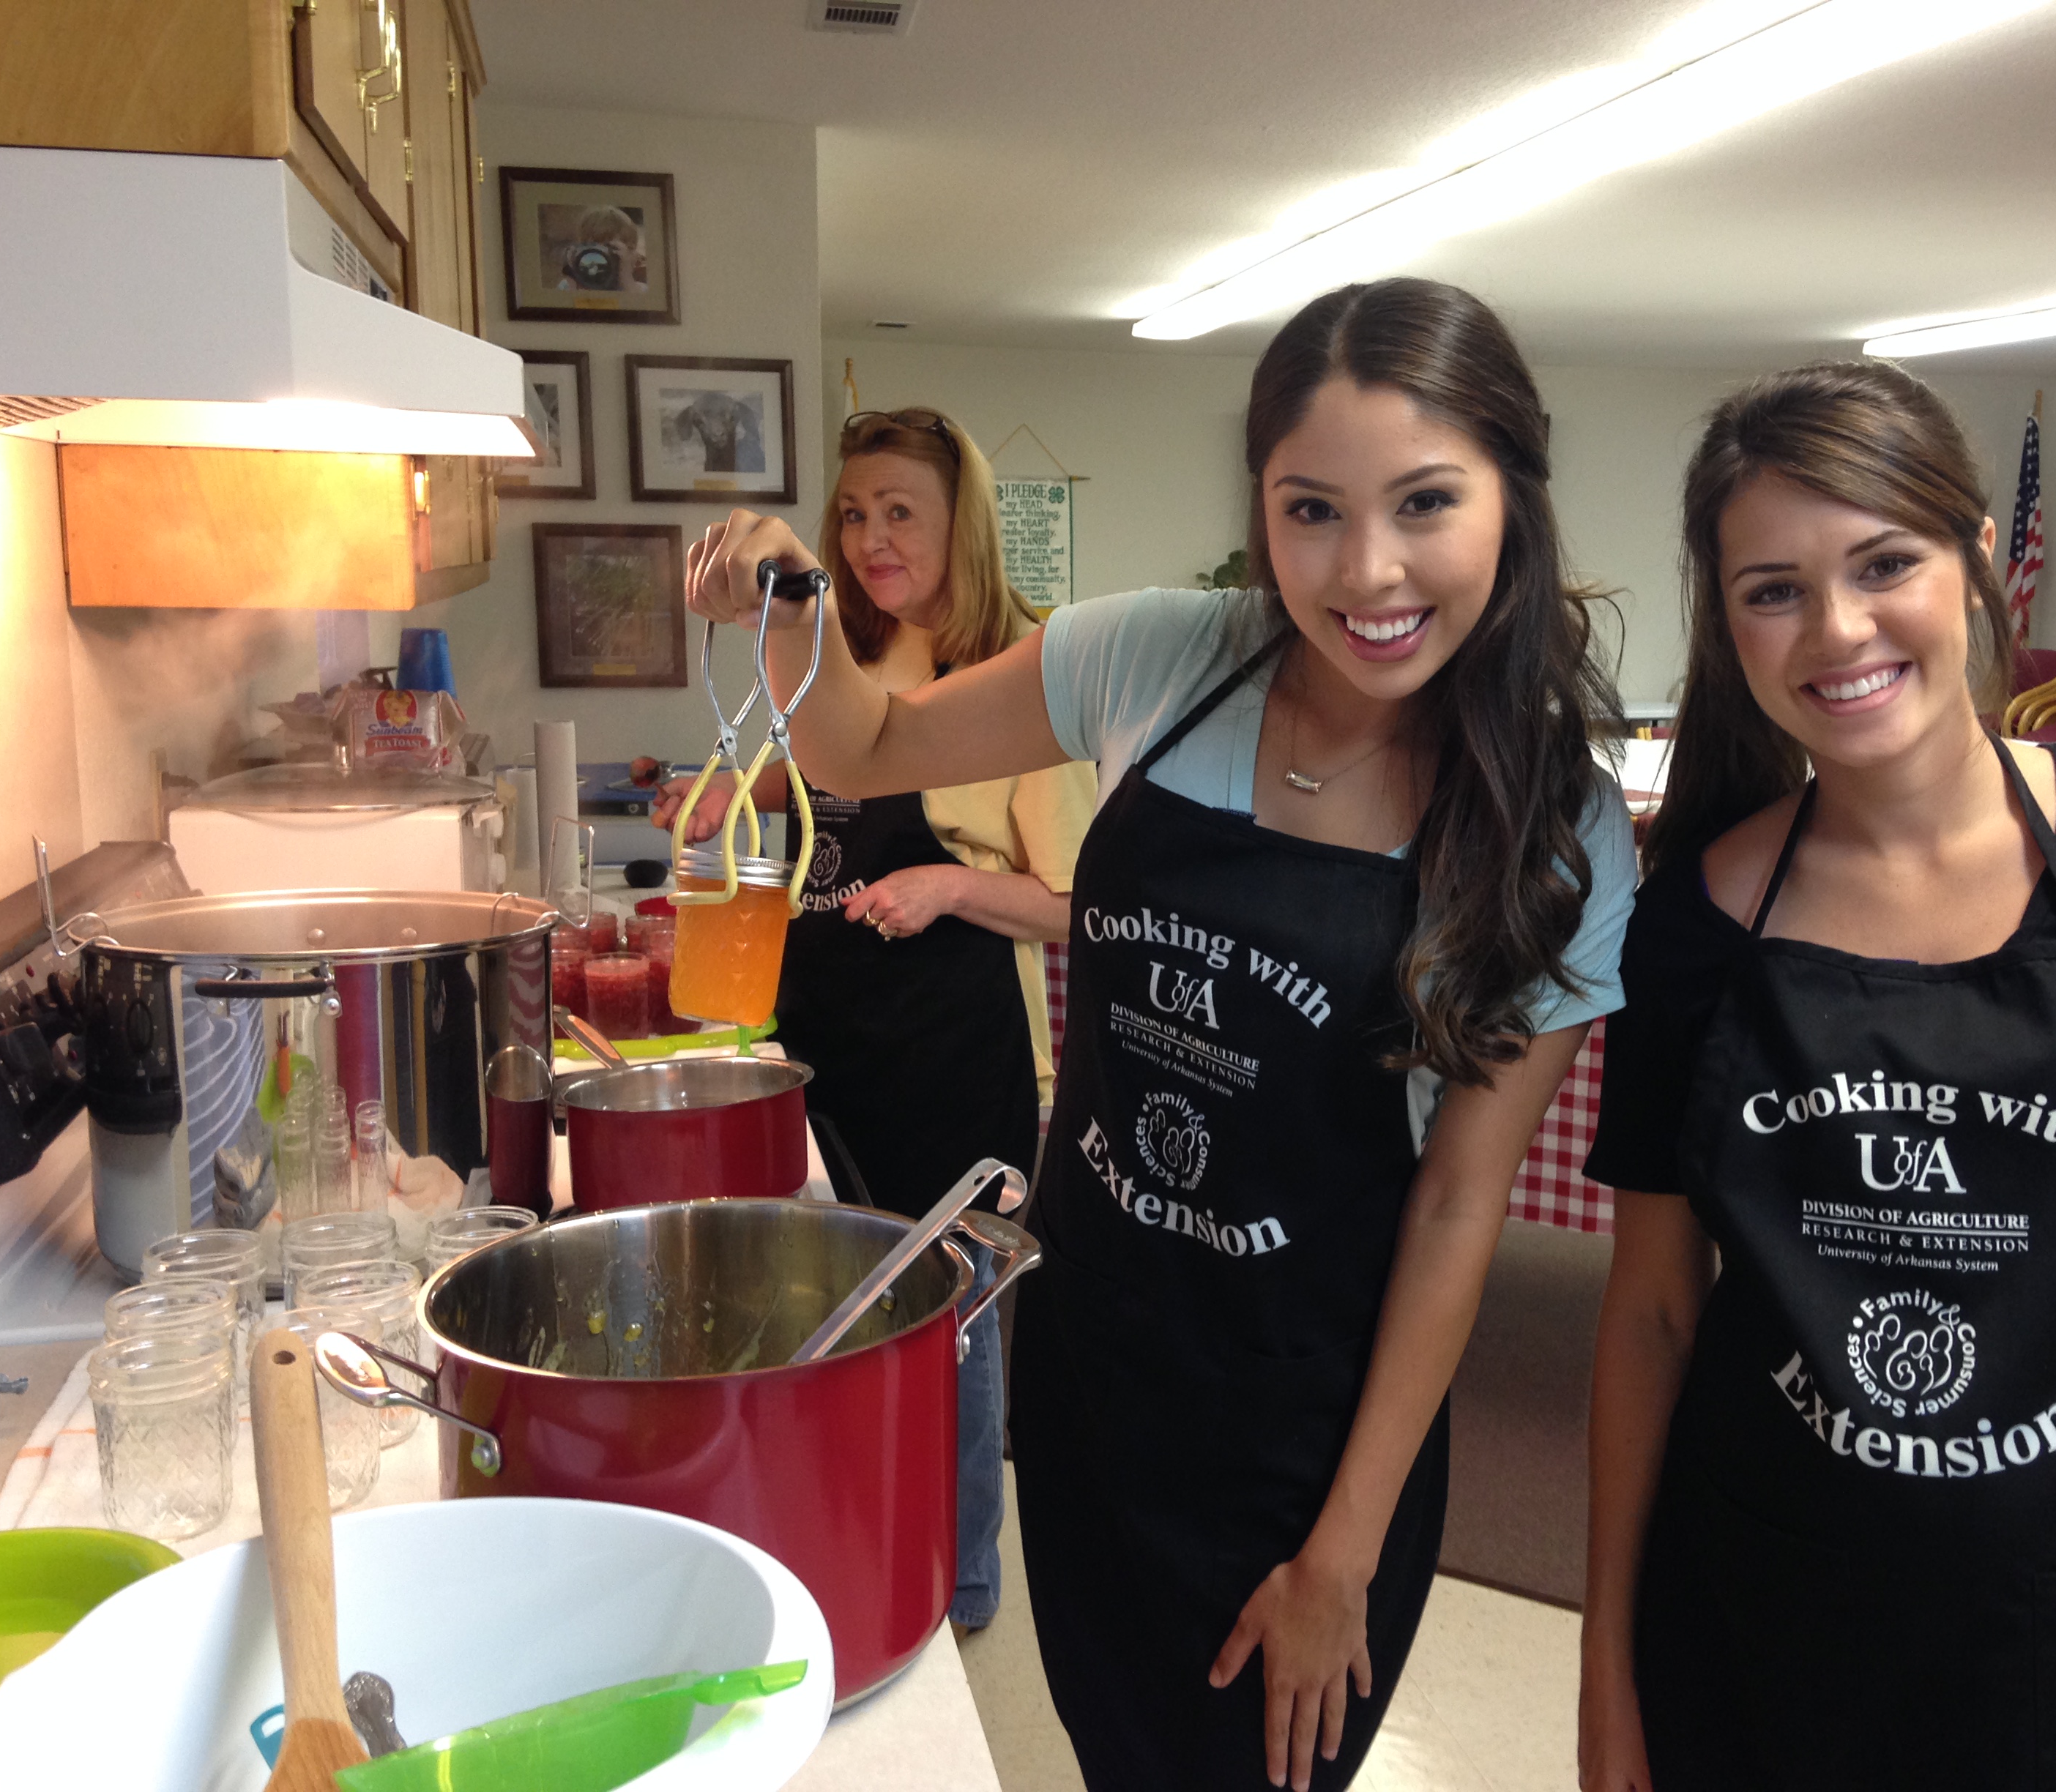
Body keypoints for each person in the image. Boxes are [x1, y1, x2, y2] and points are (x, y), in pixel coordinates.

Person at [685, 277, 1637, 1791]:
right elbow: (865, 742)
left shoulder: (1557, 824)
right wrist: (797, 593)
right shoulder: (1160, 660)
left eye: (1426, 503)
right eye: (1312, 508)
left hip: (1305, 1426)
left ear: (1511, 498)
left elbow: (1463, 1204)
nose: (1369, 569)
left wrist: (1342, 1552)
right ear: (1260, 507)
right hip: (1095, 1370)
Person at [1581, 360, 2056, 1792]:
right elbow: (1653, 1322)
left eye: (1886, 563)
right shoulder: (1691, 926)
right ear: (1723, 619)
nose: (1838, 628)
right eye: (1773, 589)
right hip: (1762, 1637)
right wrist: (1607, 1677)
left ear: (1981, 558)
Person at [655, 405, 1096, 1633]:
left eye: (901, 511)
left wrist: (952, 884)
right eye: (853, 513)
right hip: (822, 1039)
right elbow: (793, 797)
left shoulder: (1024, 677)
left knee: (949, 1327)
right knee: (841, 1307)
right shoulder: (836, 656)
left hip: (956, 1055)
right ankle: (846, 1538)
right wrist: (717, 803)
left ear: (966, 523)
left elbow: (1083, 904)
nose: (868, 539)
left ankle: (956, 1583)